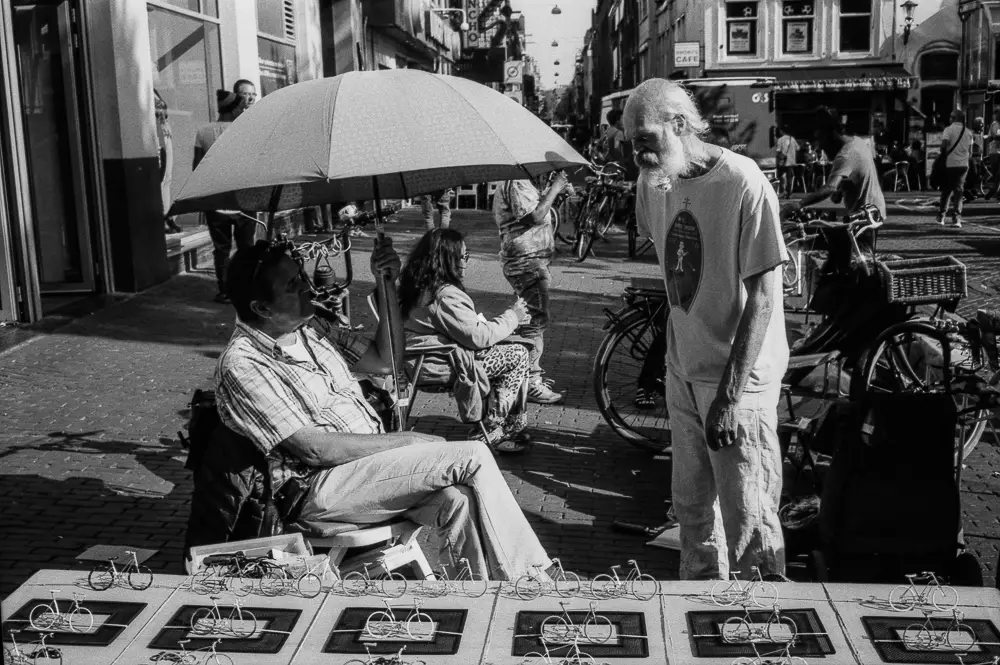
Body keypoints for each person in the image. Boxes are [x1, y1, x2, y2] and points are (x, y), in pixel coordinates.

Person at [214, 238, 554, 580]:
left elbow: (384, 359)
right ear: (262, 309)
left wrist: (386, 282)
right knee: (473, 455)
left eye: (301, 277)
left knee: (459, 499)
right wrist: (406, 441)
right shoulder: (243, 363)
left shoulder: (311, 329)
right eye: (292, 285)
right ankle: (537, 581)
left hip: (365, 471)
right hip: (314, 489)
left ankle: (477, 601)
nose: (307, 287)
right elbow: (314, 449)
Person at [624, 78, 788, 580]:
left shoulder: (743, 182)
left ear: (679, 124)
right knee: (693, 513)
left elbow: (763, 297)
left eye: (646, 140)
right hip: (685, 371)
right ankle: (698, 619)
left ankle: (763, 629)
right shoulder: (654, 182)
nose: (640, 155)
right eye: (633, 145)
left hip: (740, 383)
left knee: (750, 521)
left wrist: (730, 396)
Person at [400, 229, 533, 454]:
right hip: (439, 365)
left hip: (425, 359)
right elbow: (478, 337)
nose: (465, 263)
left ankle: (508, 424)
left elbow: (468, 331)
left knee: (508, 347)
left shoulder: (418, 285)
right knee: (518, 354)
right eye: (462, 257)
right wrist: (513, 316)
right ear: (447, 260)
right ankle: (492, 428)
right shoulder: (443, 295)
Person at [493, 173, 573, 405]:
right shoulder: (516, 180)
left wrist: (553, 194)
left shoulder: (520, 182)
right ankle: (531, 379)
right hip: (526, 262)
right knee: (535, 321)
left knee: (530, 317)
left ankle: (523, 375)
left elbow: (537, 209)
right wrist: (555, 188)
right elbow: (534, 216)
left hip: (530, 260)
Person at [195, 89, 257, 304]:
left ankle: (225, 290)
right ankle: (246, 287)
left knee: (221, 249)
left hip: (215, 200)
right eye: (240, 107)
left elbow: (197, 167)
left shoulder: (203, 132)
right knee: (246, 247)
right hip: (244, 199)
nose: (243, 110)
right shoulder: (247, 131)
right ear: (232, 110)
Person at [782, 106, 886, 220]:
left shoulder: (845, 155)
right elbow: (860, 174)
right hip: (874, 209)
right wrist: (842, 189)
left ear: (832, 135)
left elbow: (830, 188)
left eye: (821, 139)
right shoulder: (858, 142)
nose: (820, 146)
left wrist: (799, 204)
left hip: (865, 215)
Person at [936, 109, 971, 228]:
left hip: (950, 164)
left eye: (951, 117)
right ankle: (957, 219)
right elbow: (970, 151)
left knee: (947, 191)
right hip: (963, 165)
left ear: (954, 118)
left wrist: (944, 155)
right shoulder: (968, 132)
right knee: (959, 192)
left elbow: (943, 146)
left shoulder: (948, 130)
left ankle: (941, 216)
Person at [154, 89, 182, 234]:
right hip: (156, 137)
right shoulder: (142, 89)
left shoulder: (153, 90)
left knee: (167, 178)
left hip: (164, 134)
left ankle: (166, 215)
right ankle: (161, 217)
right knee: (160, 178)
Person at [775, 127, 799, 199]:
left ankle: (782, 191)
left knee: (780, 177)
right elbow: (798, 148)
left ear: (781, 132)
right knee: (789, 178)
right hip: (791, 162)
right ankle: (789, 193)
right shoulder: (792, 139)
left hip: (783, 162)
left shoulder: (780, 140)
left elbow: (778, 151)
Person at [966, 117, 986, 202]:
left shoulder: (980, 135)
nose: (983, 126)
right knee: (975, 175)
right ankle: (972, 190)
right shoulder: (973, 134)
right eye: (981, 124)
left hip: (979, 157)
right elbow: (972, 147)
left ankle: (977, 189)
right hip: (974, 157)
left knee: (981, 174)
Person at [985, 109, 1000, 200]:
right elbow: (992, 136)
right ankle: (996, 191)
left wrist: (995, 137)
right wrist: (990, 138)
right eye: (997, 114)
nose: (997, 116)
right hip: (994, 152)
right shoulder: (994, 125)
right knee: (995, 174)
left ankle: (994, 189)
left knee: (999, 174)